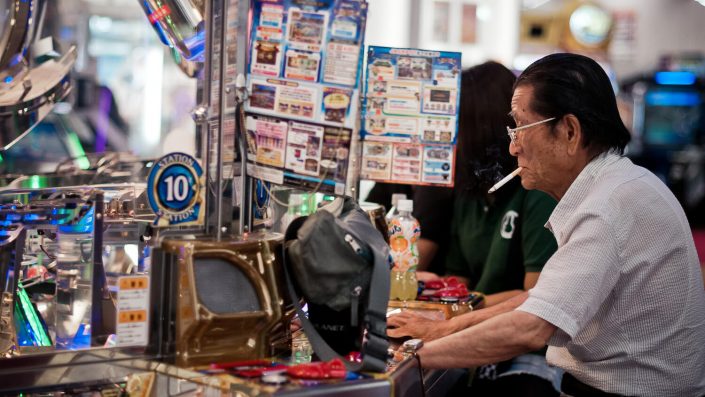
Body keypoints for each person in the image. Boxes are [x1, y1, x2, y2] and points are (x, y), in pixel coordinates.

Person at [393, 53, 705, 396]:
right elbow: (538, 299)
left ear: (569, 131)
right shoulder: (615, 185)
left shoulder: (608, 205)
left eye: (519, 128)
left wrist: (412, 359)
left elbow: (531, 327)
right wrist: (443, 330)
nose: (513, 147)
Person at [389, 61, 562, 396]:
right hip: (477, 340)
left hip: (527, 356)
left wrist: (461, 308)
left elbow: (536, 296)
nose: (449, 137)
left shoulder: (536, 192)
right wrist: (435, 288)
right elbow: (460, 277)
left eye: (456, 123)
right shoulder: (471, 191)